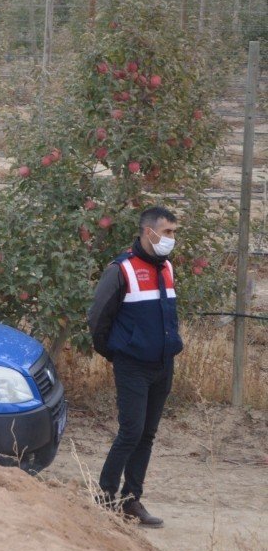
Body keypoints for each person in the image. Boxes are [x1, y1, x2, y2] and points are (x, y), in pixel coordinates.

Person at [87, 206, 183, 528]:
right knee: (131, 432)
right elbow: (98, 318)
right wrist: (117, 353)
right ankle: (104, 497)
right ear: (148, 232)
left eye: (173, 232)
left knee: (148, 434)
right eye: (167, 232)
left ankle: (131, 501)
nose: (171, 238)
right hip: (132, 367)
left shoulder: (167, 266)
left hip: (162, 365)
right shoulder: (121, 269)